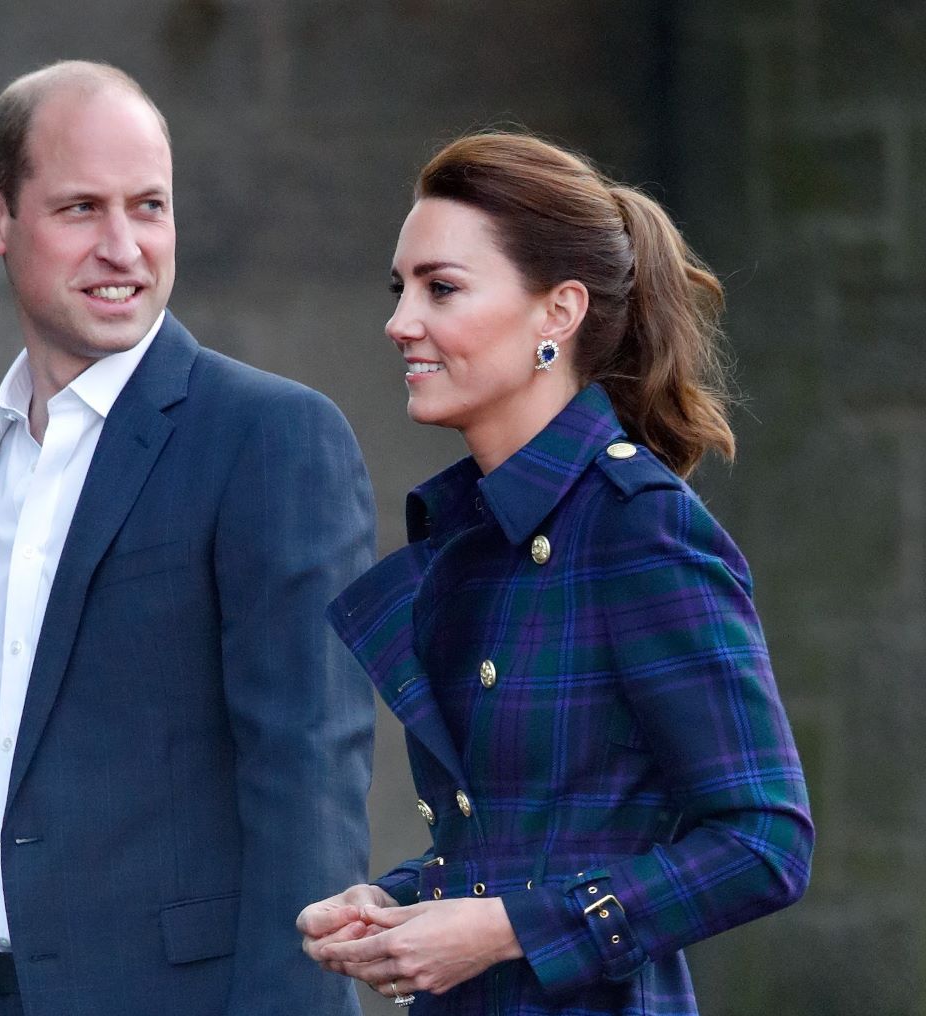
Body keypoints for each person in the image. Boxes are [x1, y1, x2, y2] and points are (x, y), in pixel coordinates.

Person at [0, 60, 376, 1016]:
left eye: (148, 206)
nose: (124, 247)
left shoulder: (269, 437)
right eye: (80, 210)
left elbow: (308, 783)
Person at [297, 132, 814, 1015]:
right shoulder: (480, 533)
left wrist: (503, 931)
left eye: (442, 288)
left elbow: (766, 843)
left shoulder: (635, 525)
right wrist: (401, 903)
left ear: (558, 312)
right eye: (402, 289)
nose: (399, 322)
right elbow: (529, 839)